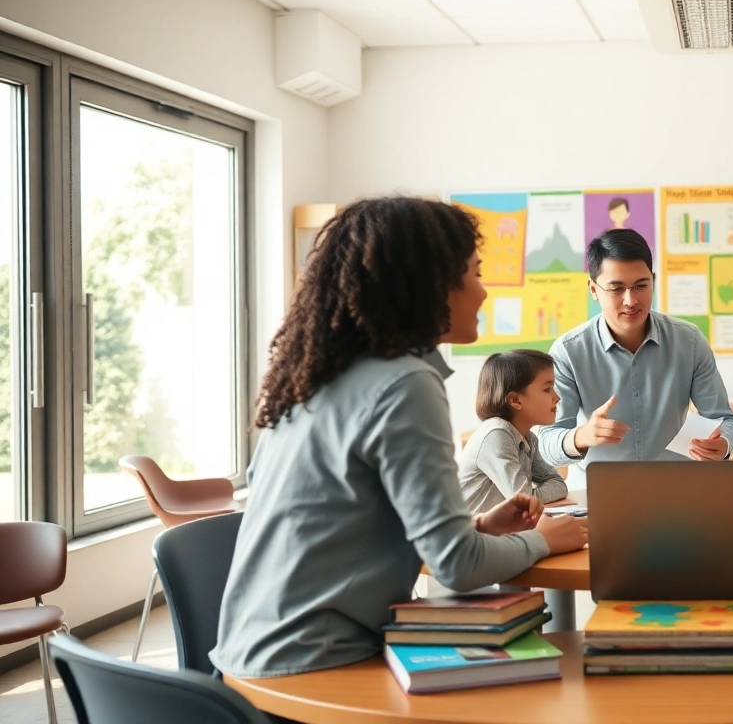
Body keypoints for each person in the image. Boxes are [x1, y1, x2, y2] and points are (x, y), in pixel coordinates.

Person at [211, 197, 587, 680]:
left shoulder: (318, 377)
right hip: (315, 667)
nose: (483, 293)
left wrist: (476, 527)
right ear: (430, 287)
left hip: (251, 659)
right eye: (474, 273)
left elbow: (354, 526)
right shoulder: (405, 383)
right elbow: (457, 567)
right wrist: (540, 540)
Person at [537, 229, 733, 471]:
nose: (631, 300)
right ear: (593, 289)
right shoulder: (568, 352)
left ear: (652, 281)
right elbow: (546, 442)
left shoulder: (689, 341)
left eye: (640, 286)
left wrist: (724, 444)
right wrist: (580, 437)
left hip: (676, 491)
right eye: (616, 289)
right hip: (598, 496)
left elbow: (725, 420)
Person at [458, 350, 569, 515]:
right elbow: (523, 500)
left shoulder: (528, 438)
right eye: (547, 389)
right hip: (470, 538)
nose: (557, 397)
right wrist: (532, 497)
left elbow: (558, 483)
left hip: (496, 536)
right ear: (515, 400)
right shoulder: (496, 435)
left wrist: (533, 497)